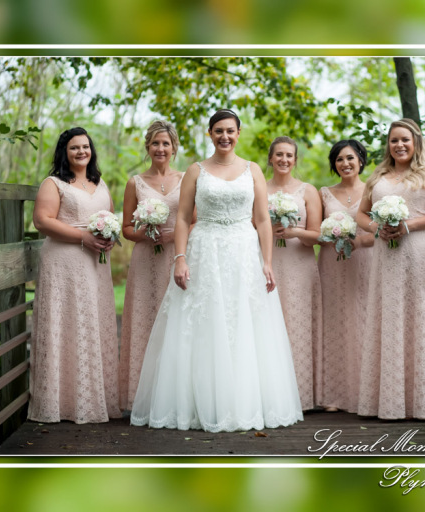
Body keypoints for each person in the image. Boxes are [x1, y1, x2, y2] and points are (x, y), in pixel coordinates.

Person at [130, 109, 303, 432]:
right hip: (204, 249)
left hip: (243, 251)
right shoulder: (196, 171)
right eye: (218, 131)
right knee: (204, 322)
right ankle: (200, 403)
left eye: (231, 131)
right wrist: (180, 258)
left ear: (239, 134)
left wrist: (267, 262)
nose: (225, 136)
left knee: (243, 323)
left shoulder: (253, 171)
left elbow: (263, 220)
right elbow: (182, 217)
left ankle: (242, 403)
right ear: (210, 133)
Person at [354, 118, 425, 419]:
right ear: (388, 145)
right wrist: (376, 227)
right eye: (394, 140)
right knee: (390, 319)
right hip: (387, 256)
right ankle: (389, 402)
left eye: (405, 140)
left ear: (416, 143)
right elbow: (360, 214)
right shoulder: (378, 176)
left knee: (421, 320)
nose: (399, 145)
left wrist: (408, 225)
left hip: (421, 253)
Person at [26, 127, 119, 424]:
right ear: (64, 153)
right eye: (74, 148)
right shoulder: (54, 183)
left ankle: (90, 398)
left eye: (85, 147)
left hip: (96, 263)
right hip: (64, 263)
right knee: (66, 324)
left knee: (91, 323)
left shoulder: (99, 182)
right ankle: (61, 402)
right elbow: (42, 220)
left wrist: (110, 236)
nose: (81, 152)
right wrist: (83, 238)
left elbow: (111, 216)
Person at [118, 120, 183, 411]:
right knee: (144, 319)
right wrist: (147, 234)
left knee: (177, 320)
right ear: (147, 147)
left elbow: (194, 221)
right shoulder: (136, 183)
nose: (160, 148)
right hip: (146, 259)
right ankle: (139, 398)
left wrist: (173, 236)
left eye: (165, 144)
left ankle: (175, 396)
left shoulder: (186, 179)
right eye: (155, 143)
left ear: (174, 148)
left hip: (178, 257)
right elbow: (127, 228)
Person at [317, 139, 376, 413]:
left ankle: (366, 393)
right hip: (332, 263)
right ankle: (335, 395)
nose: (346, 164)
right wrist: (331, 234)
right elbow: (315, 230)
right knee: (335, 322)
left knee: (365, 319)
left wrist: (359, 242)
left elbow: (383, 231)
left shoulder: (374, 191)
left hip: (366, 261)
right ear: (334, 165)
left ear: (361, 161)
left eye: (350, 158)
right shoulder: (325, 193)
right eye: (339, 159)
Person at [265, 136, 323, 411]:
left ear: (295, 160)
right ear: (271, 158)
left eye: (289, 155)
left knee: (298, 327)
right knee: (267, 327)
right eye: (279, 155)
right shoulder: (258, 189)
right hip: (268, 263)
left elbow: (316, 237)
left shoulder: (308, 191)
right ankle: (269, 394)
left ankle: (301, 395)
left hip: (300, 267)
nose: (284, 160)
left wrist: (294, 231)